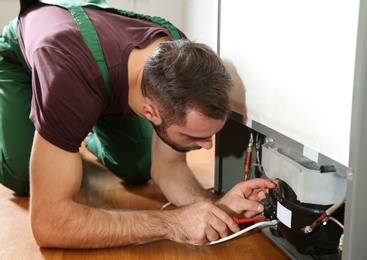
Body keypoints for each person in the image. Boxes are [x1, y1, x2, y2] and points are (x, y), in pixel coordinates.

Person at [0, 0, 276, 248]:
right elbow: (49, 224)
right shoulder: (67, 75)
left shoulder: (184, 58)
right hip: (28, 57)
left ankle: (77, 123)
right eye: (194, 136)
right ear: (151, 112)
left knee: (139, 166)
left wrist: (217, 208)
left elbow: (168, 169)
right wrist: (171, 223)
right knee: (21, 175)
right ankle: (68, 126)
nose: (207, 146)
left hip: (92, 73)